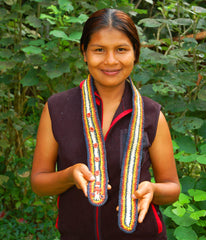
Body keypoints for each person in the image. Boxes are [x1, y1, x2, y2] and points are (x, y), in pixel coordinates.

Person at [31, 8, 180, 240]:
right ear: (84, 53)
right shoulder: (57, 108)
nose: (110, 60)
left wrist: (153, 190)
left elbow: (172, 187)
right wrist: (69, 175)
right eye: (99, 50)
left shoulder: (151, 114)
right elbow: (39, 182)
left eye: (121, 50)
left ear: (135, 54)